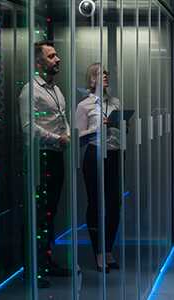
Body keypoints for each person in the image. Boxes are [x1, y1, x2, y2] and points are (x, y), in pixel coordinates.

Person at [19, 40, 71, 288]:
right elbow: (29, 129)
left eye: (56, 55)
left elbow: (62, 118)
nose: (57, 59)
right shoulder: (31, 91)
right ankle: (34, 269)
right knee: (39, 214)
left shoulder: (56, 90)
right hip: (41, 157)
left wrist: (67, 133)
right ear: (39, 62)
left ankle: (47, 262)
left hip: (56, 156)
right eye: (51, 56)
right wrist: (57, 138)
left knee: (50, 213)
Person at [76, 63, 121, 273]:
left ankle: (108, 249)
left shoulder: (115, 102)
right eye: (100, 74)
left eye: (106, 73)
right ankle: (99, 252)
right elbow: (78, 137)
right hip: (94, 155)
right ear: (91, 80)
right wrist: (97, 128)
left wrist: (122, 125)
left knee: (114, 204)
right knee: (96, 203)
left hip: (113, 155)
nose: (105, 76)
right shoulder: (84, 105)